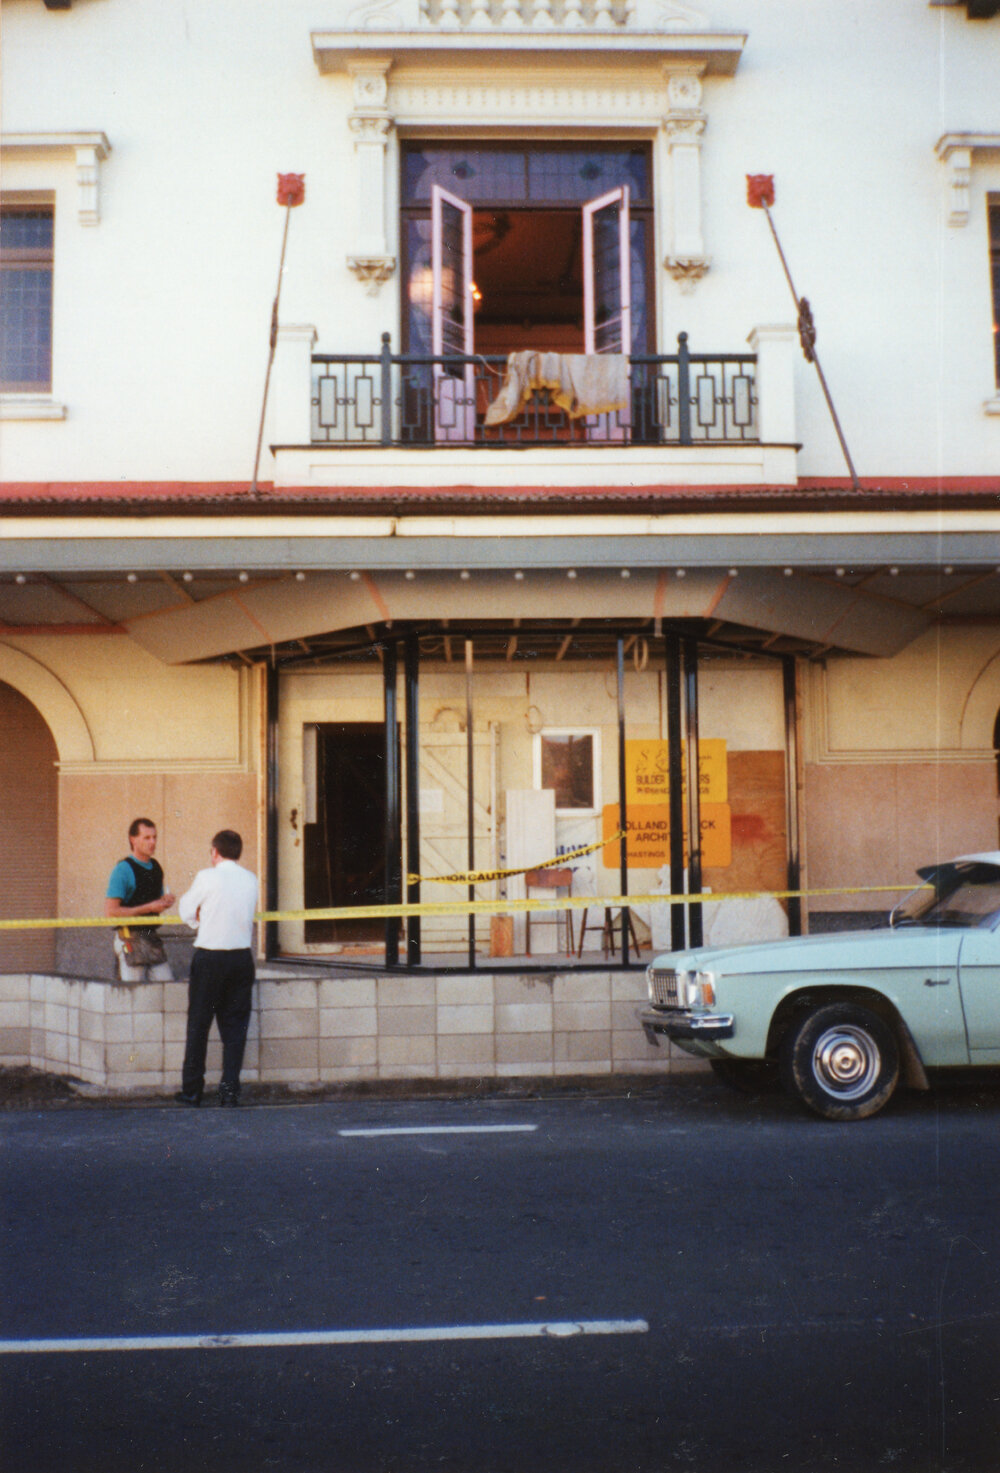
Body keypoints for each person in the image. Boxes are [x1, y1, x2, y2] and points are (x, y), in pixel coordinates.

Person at [176, 829, 259, 1108]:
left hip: (210, 958)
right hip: (241, 959)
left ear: (215, 851)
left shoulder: (206, 877)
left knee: (198, 1024)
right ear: (238, 852)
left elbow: (186, 909)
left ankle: (192, 1091)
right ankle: (229, 1092)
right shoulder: (251, 880)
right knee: (235, 1028)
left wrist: (199, 920)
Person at [105, 818, 176, 981]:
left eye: (155, 837)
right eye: (147, 838)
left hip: (151, 937)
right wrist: (149, 908)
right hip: (129, 937)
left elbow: (154, 902)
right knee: (132, 995)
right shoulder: (122, 870)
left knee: (166, 988)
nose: (152, 842)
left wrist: (164, 902)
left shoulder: (156, 867)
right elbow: (111, 912)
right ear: (133, 840)